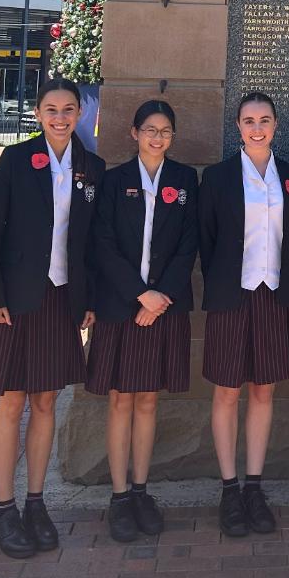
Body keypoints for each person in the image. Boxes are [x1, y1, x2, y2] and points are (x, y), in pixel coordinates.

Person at [0, 78, 105, 558]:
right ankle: (4, 509)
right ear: (37, 113)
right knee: (11, 401)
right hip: (13, 299)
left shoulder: (92, 167)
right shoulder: (15, 161)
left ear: (79, 115)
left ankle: (35, 503)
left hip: (60, 299)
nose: (60, 117)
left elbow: (88, 244)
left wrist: (86, 299)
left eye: (68, 109)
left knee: (47, 401)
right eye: (51, 109)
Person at [86, 100, 198, 542]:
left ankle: (140, 489)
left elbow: (189, 244)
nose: (158, 138)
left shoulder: (185, 180)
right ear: (134, 133)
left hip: (164, 306)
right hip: (122, 306)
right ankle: (118, 497)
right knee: (120, 400)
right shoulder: (113, 182)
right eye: (150, 129)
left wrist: (160, 296)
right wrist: (139, 294)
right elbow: (103, 244)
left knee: (148, 399)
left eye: (166, 131)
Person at [198, 92, 289, 537]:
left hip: (275, 296)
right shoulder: (219, 178)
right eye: (248, 120)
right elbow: (206, 241)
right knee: (227, 393)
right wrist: (223, 285)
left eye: (264, 120)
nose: (257, 128)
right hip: (232, 296)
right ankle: (229, 488)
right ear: (237, 127)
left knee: (263, 392)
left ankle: (255, 487)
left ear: (275, 125)